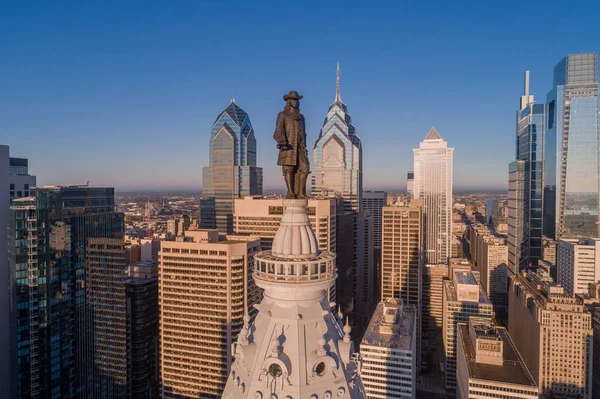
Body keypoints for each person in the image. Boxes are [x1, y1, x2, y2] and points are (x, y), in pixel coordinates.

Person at [273, 91, 310, 199]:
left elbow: (304, 133)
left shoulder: (301, 117)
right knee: (289, 169)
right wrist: (282, 141)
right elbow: (278, 130)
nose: (296, 102)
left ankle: (301, 193)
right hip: (289, 147)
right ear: (289, 101)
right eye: (293, 100)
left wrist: (304, 144)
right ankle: (291, 192)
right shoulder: (283, 115)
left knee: (305, 169)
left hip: (300, 148)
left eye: (297, 100)